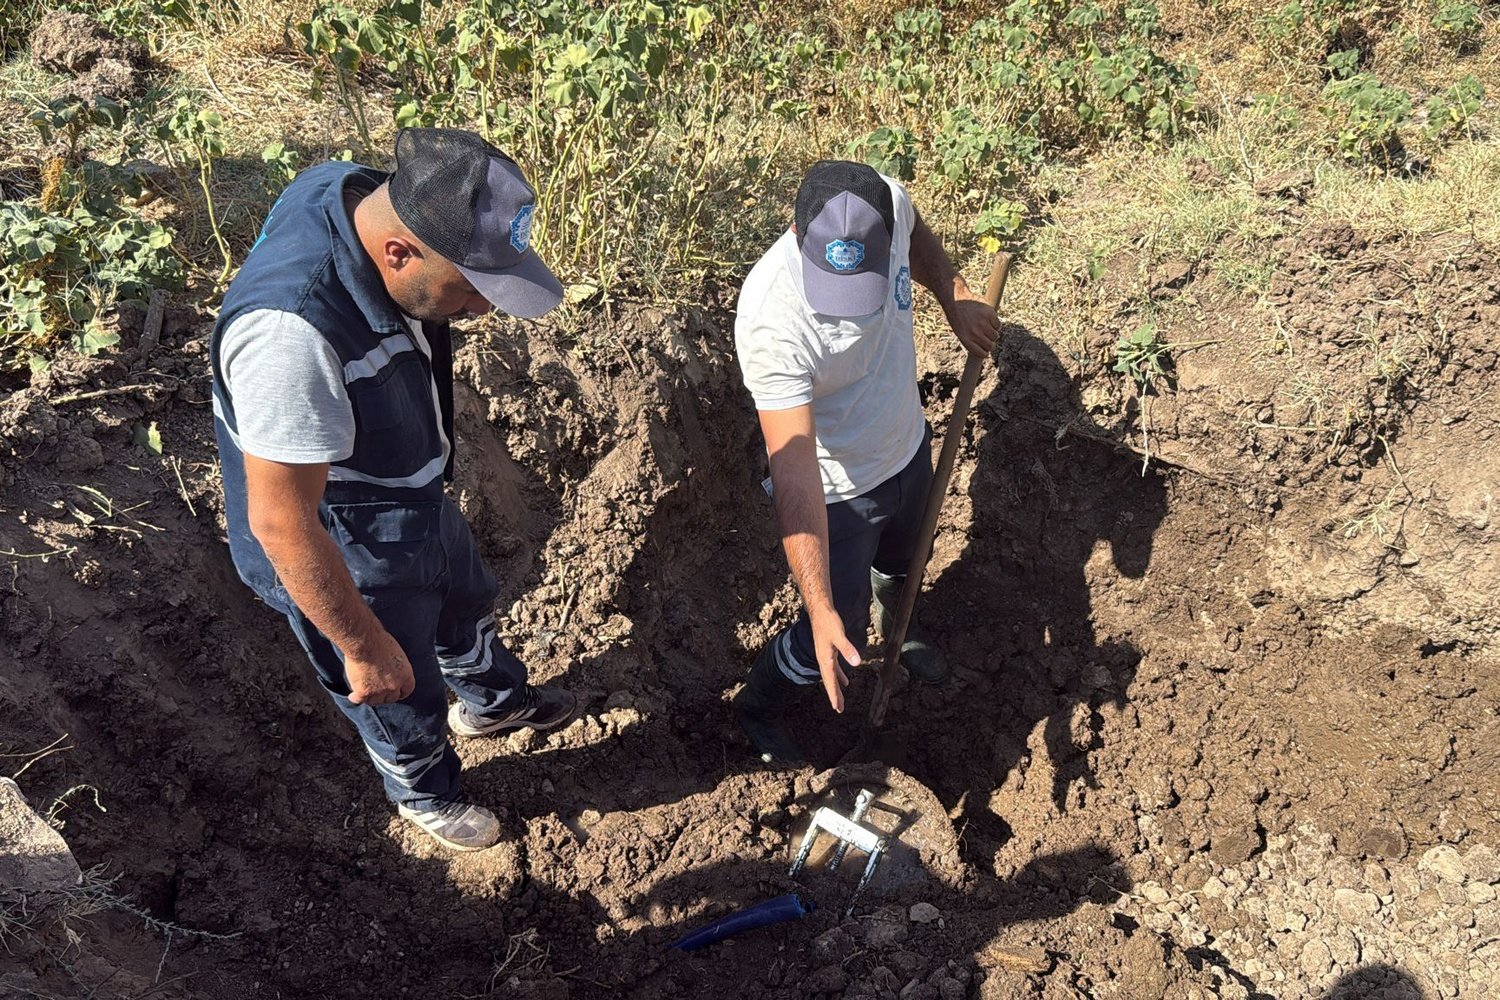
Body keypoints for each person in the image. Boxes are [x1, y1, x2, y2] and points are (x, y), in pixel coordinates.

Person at [210, 128, 579, 851]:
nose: (483, 311)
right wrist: (361, 642)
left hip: (402, 491)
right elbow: (283, 523)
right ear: (398, 251)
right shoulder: (290, 340)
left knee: (463, 596)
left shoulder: (348, 188)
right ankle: (424, 791)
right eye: (473, 288)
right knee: (397, 687)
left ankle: (491, 704)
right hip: (338, 538)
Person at [731, 160, 1001, 764]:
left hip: (906, 446)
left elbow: (921, 242)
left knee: (909, 557)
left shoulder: (890, 205)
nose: (850, 311)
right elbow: (794, 465)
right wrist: (820, 604)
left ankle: (898, 622)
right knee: (837, 631)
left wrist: (954, 296)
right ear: (799, 237)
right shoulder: (772, 320)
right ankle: (760, 702)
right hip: (836, 489)